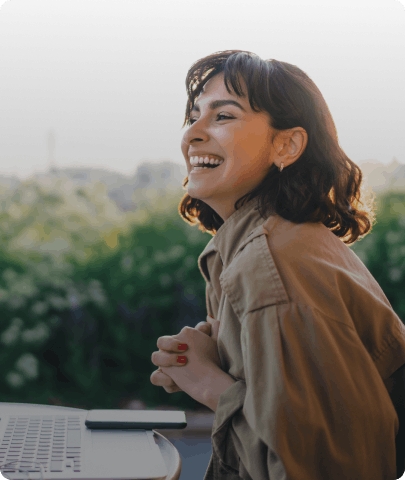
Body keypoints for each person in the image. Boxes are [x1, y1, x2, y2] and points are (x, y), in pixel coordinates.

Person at [150, 50, 405, 479]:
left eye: (222, 116)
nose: (191, 134)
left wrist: (207, 382)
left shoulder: (272, 266)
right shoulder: (274, 243)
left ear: (286, 145)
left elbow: (315, 469)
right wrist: (219, 353)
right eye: (193, 116)